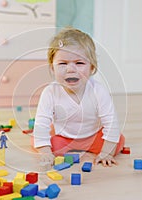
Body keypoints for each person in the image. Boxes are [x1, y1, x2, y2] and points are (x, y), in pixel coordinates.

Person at [32, 27, 125, 168]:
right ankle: (54, 134)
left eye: (79, 63)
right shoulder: (50, 92)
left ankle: (92, 148)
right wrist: (45, 151)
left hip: (93, 136)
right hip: (64, 138)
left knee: (118, 142)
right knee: (41, 140)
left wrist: (107, 152)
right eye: (62, 63)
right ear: (52, 68)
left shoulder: (98, 91)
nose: (70, 69)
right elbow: (41, 123)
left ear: (91, 68)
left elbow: (111, 123)